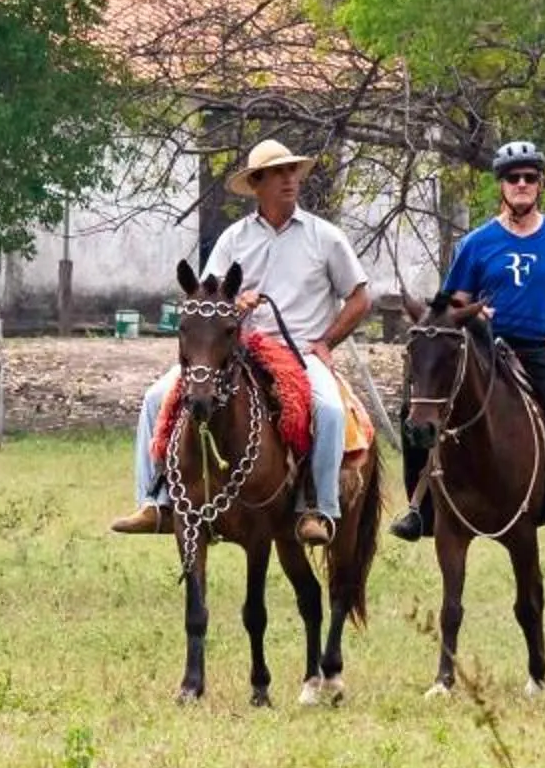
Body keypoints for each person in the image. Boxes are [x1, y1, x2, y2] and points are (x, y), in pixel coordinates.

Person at [111, 139, 372, 547]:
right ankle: (156, 502)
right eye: (278, 173)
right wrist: (234, 304)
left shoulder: (326, 237)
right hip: (236, 348)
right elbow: (207, 295)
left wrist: (326, 342)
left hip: (300, 351)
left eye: (292, 172)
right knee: (154, 395)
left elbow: (360, 298)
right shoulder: (234, 238)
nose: (289, 180)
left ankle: (317, 508)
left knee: (329, 409)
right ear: (257, 183)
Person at [392, 140, 545, 545]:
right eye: (513, 177)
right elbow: (454, 302)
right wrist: (474, 312)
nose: (522, 184)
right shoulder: (476, 242)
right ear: (501, 185)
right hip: (483, 346)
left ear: (540, 184)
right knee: (415, 408)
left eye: (530, 177)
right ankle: (420, 508)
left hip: (540, 346)